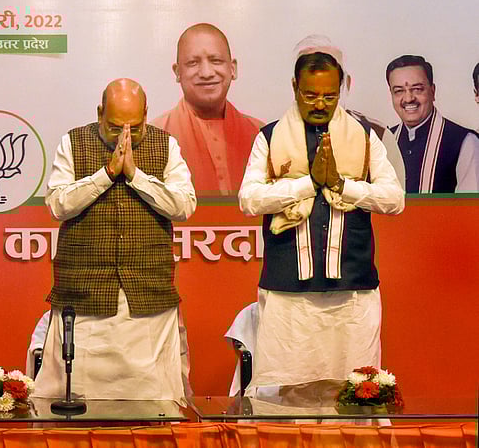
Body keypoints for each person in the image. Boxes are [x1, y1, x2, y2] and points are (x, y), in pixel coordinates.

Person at [238, 50, 404, 394]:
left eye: (330, 96)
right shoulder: (269, 137)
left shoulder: (362, 135)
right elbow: (249, 199)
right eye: (310, 95)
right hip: (288, 297)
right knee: (283, 394)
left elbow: (394, 199)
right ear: (295, 87)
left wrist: (342, 186)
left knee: (356, 394)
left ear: (341, 90)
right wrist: (308, 184)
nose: (320, 104)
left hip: (352, 293)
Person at [34, 78, 197, 405]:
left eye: (134, 128)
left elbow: (184, 206)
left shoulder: (166, 146)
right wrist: (106, 174)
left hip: (147, 295)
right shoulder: (73, 142)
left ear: (146, 116)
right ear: (99, 114)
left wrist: (136, 176)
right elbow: (57, 205)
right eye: (114, 127)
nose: (125, 136)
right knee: (80, 399)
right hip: (85, 295)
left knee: (153, 402)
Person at [151, 23, 263, 196]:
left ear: (232, 69)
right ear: (177, 72)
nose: (206, 72)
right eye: (193, 63)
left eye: (216, 61)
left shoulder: (260, 135)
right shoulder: (155, 136)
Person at [295, 35, 406, 187]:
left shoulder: (378, 135)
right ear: (296, 86)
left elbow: (396, 203)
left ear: (346, 83)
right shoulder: (276, 136)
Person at [386, 55, 479, 193]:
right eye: (399, 91)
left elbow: (469, 210)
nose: (408, 98)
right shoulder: (384, 141)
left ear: (432, 91)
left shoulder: (465, 141)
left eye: (417, 89)